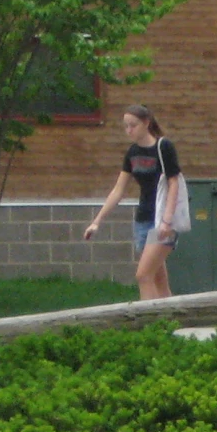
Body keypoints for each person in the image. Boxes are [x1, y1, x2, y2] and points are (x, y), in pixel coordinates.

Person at [83, 105, 181, 300]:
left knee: (143, 275)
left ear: (146, 123)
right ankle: (170, 324)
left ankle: (151, 326)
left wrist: (167, 220)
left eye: (133, 125)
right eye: (126, 126)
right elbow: (118, 190)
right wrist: (97, 221)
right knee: (158, 280)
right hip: (143, 220)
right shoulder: (132, 153)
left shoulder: (163, 147)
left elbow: (174, 182)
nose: (129, 130)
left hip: (163, 220)